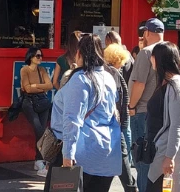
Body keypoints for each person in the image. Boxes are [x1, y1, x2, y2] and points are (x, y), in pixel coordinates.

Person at [45, 34, 121, 192]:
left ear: (79, 54)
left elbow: (72, 120)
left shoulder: (80, 79)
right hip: (106, 151)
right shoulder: (108, 78)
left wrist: (67, 154)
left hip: (80, 152)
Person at [147, 42, 180, 192]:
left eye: (152, 56)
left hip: (167, 151)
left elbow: (178, 124)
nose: (150, 60)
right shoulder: (167, 83)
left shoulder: (176, 85)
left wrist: (169, 156)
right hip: (161, 148)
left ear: (159, 59)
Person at [129, 18, 164, 192]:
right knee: (157, 160)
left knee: (142, 160)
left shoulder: (146, 53)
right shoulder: (170, 51)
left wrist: (131, 107)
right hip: (163, 114)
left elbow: (139, 84)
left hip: (143, 111)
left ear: (147, 33)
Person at [104, 44, 137, 192]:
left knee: (118, 157)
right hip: (114, 122)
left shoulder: (107, 71)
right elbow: (117, 98)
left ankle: (130, 186)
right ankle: (131, 187)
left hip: (111, 123)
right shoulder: (114, 74)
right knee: (122, 154)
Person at [19, 47, 53, 177]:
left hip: (43, 103)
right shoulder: (25, 70)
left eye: (41, 56)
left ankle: (38, 160)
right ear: (31, 57)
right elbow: (27, 89)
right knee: (38, 129)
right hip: (29, 103)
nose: (40, 58)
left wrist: (35, 86)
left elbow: (49, 86)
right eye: (37, 56)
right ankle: (40, 161)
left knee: (43, 131)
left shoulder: (42, 70)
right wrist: (39, 87)